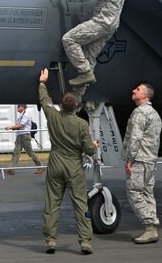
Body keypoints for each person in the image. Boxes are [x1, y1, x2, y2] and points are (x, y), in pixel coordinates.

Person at [38, 68, 97, 255]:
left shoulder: (53, 117)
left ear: (62, 106)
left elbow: (45, 101)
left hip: (55, 164)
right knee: (80, 204)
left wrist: (42, 83)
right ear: (77, 106)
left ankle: (50, 240)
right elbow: (89, 150)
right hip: (74, 167)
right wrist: (94, 145)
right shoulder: (82, 124)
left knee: (52, 203)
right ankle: (85, 241)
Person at [58, 0, 135, 88]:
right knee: (89, 57)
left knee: (69, 39)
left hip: (101, 22)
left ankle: (85, 72)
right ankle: (78, 96)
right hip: (112, 25)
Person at [122, 83, 162, 244]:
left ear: (145, 95)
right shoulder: (154, 113)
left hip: (139, 159)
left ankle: (149, 227)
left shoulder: (140, 113)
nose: (133, 90)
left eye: (137, 89)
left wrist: (129, 159)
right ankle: (152, 227)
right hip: (150, 159)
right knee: (147, 193)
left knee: (134, 192)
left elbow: (135, 138)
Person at [5, 104, 44, 175]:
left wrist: (10, 127)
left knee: (30, 152)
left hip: (25, 136)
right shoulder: (20, 116)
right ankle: (11, 168)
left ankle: (40, 166)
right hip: (19, 136)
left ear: (23, 107)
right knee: (15, 152)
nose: (17, 107)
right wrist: (13, 127)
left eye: (19, 106)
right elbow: (18, 126)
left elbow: (21, 125)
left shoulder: (26, 115)